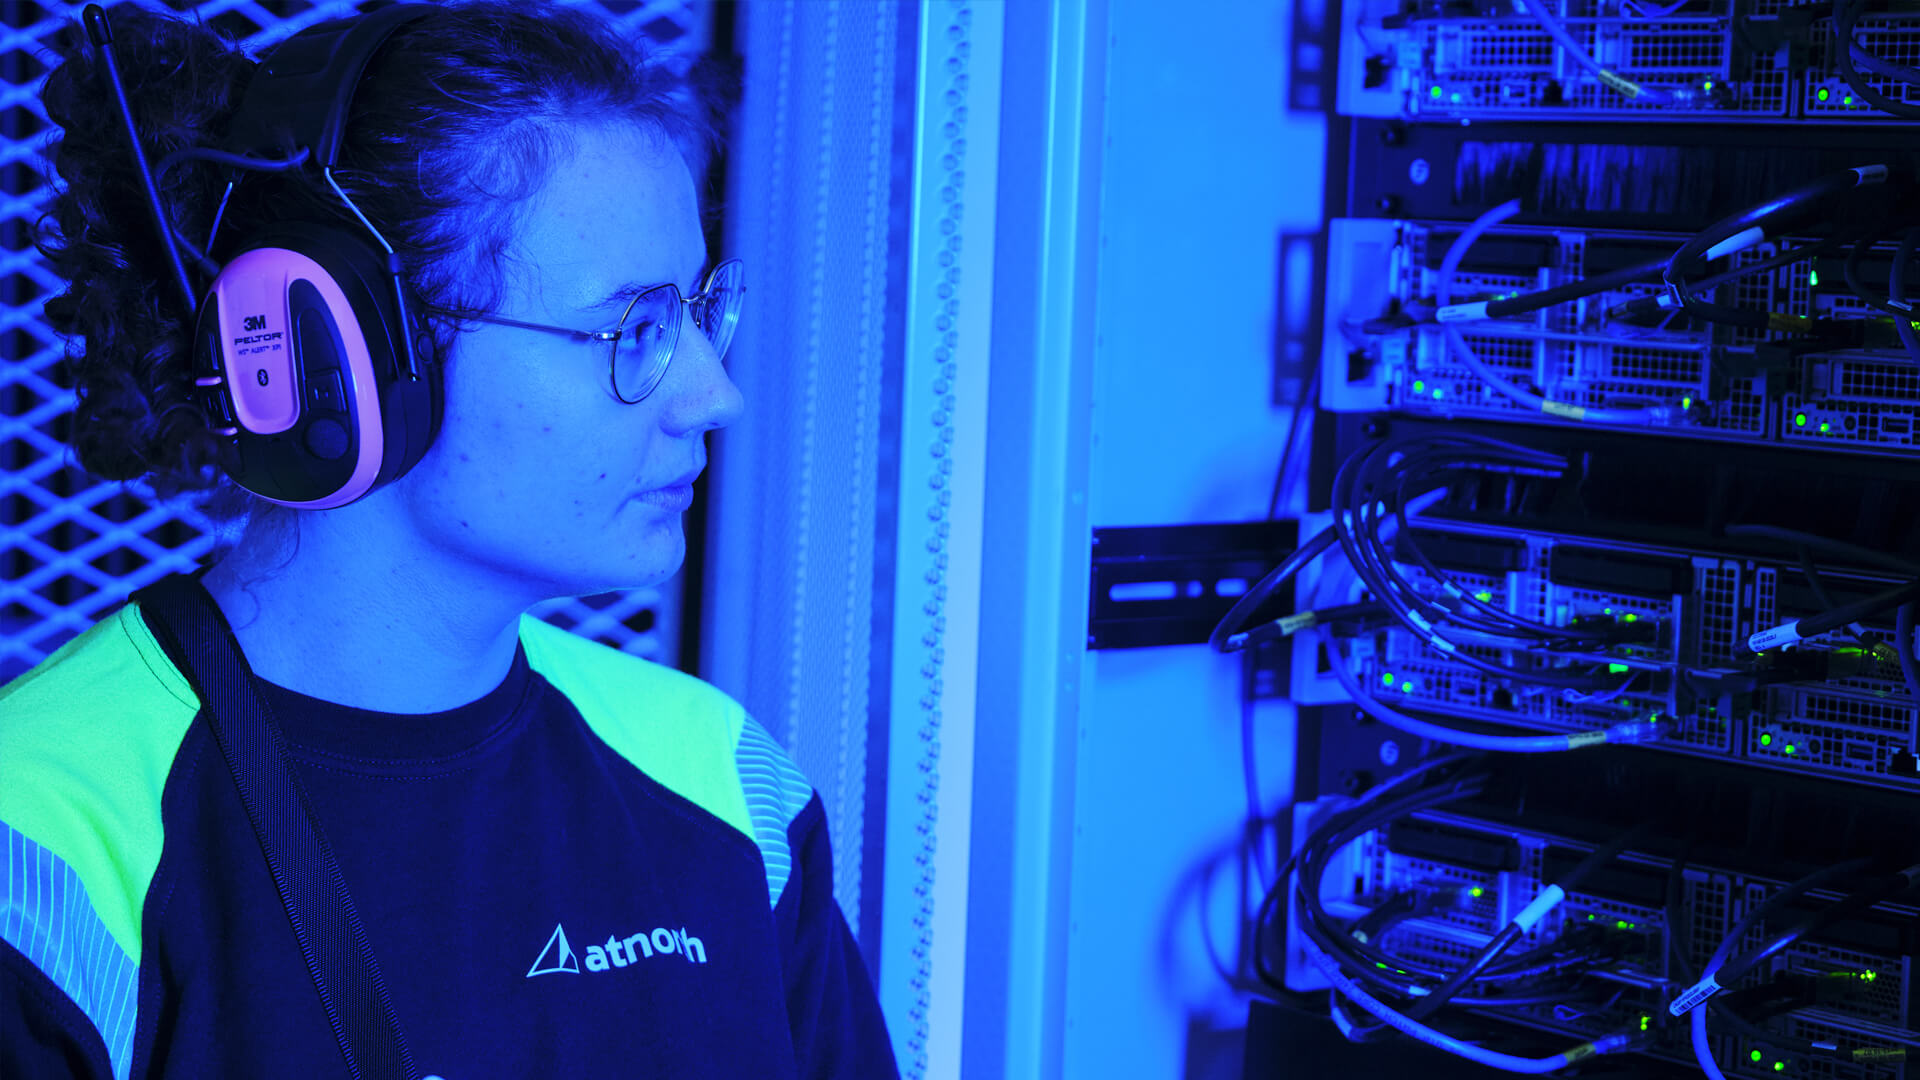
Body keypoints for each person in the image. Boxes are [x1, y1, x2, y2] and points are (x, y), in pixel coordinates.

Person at [0, 3, 899, 1077]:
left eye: (702, 314)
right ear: (336, 350)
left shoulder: (722, 776)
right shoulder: (45, 835)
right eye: (637, 328)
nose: (713, 394)